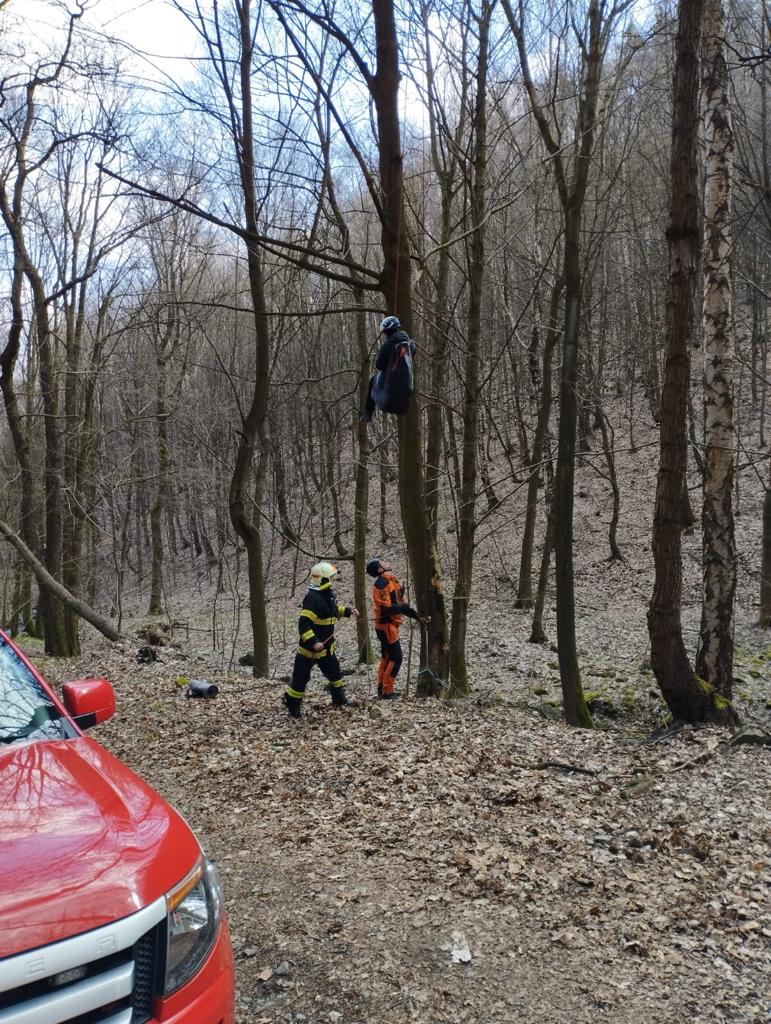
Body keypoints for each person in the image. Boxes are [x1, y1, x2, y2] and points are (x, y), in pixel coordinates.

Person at [283, 561, 359, 719]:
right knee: (301, 679)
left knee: (335, 674)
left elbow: (330, 612)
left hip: (327, 648)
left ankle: (339, 699)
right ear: (323, 579)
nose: (333, 580)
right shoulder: (312, 598)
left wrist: (348, 611)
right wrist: (313, 642)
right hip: (309, 650)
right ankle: (292, 703)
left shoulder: (327, 594)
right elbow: (303, 624)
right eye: (330, 577)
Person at [366, 557, 428, 699]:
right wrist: (403, 609)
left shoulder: (393, 580)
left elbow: (402, 605)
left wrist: (417, 616)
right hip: (386, 626)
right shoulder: (381, 584)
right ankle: (387, 691)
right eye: (381, 561)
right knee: (396, 658)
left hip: (390, 625)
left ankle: (382, 688)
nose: (385, 561)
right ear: (380, 569)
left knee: (387, 657)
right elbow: (386, 609)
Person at [360, 315, 417, 422]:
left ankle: (367, 413)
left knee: (372, 380)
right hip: (406, 390)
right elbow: (412, 353)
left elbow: (379, 365)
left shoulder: (387, 345)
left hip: (390, 390)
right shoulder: (410, 344)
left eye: (385, 332)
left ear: (388, 331)